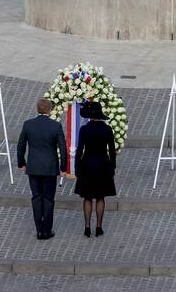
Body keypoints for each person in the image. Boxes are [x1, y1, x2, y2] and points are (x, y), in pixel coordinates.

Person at [17, 98, 67, 240]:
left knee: (37, 198)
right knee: (49, 198)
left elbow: (21, 146)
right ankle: (47, 230)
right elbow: (63, 149)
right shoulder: (55, 126)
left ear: (37, 109)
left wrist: (22, 163)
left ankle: (39, 230)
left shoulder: (28, 125)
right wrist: (63, 167)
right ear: (49, 110)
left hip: (33, 168)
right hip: (50, 168)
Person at [74, 101, 117, 237]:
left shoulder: (84, 130)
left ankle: (87, 227)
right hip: (103, 165)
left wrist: (77, 167)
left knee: (87, 198)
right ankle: (99, 226)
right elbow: (112, 150)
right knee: (100, 197)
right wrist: (112, 166)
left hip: (87, 165)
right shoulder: (107, 129)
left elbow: (79, 150)